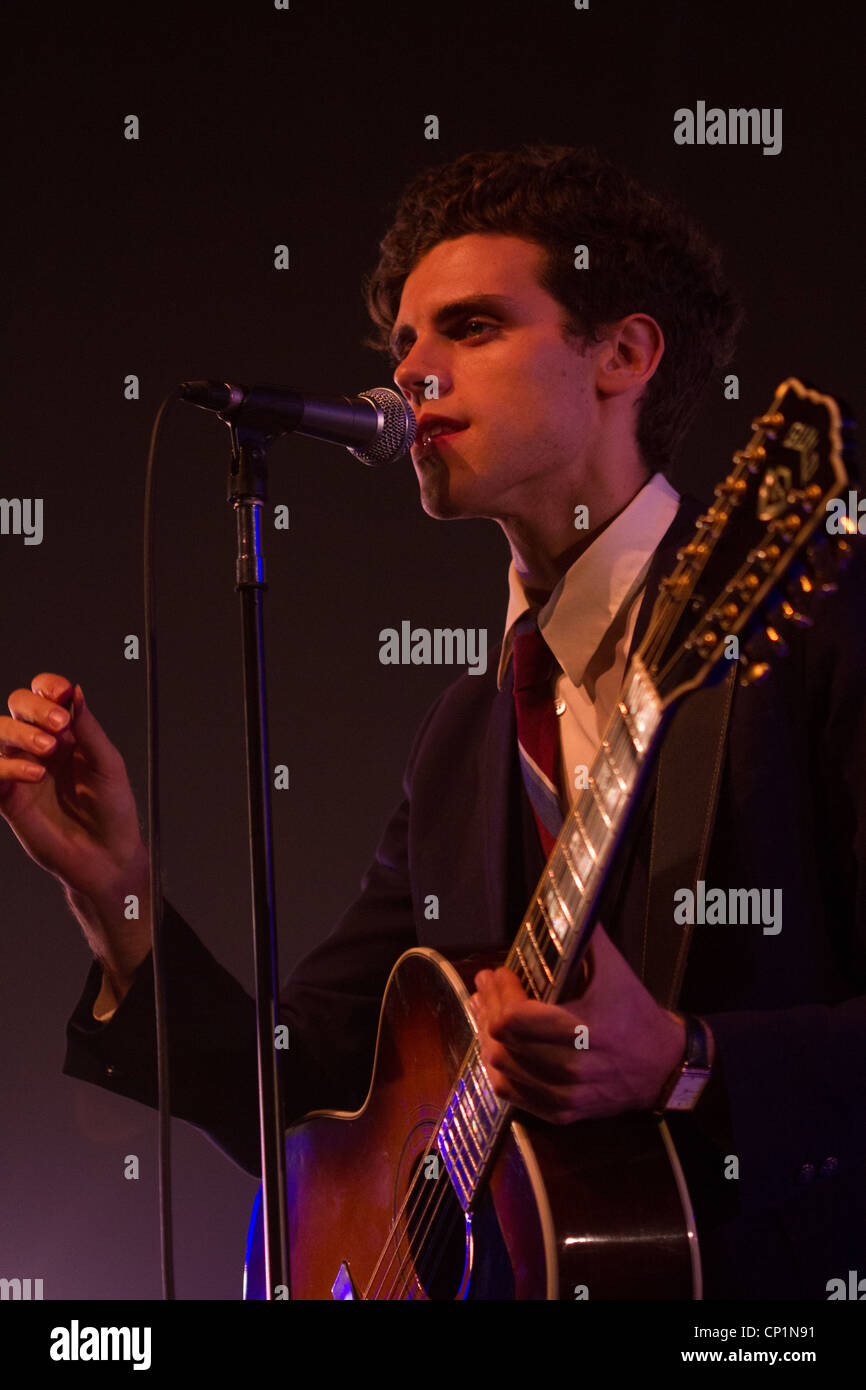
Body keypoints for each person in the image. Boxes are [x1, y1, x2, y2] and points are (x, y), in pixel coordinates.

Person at [2, 144, 864, 1301]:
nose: (413, 374)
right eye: (402, 343)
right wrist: (113, 891)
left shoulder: (805, 621)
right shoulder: (463, 737)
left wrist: (685, 1061)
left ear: (621, 355)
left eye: (469, 327)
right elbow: (298, 1093)